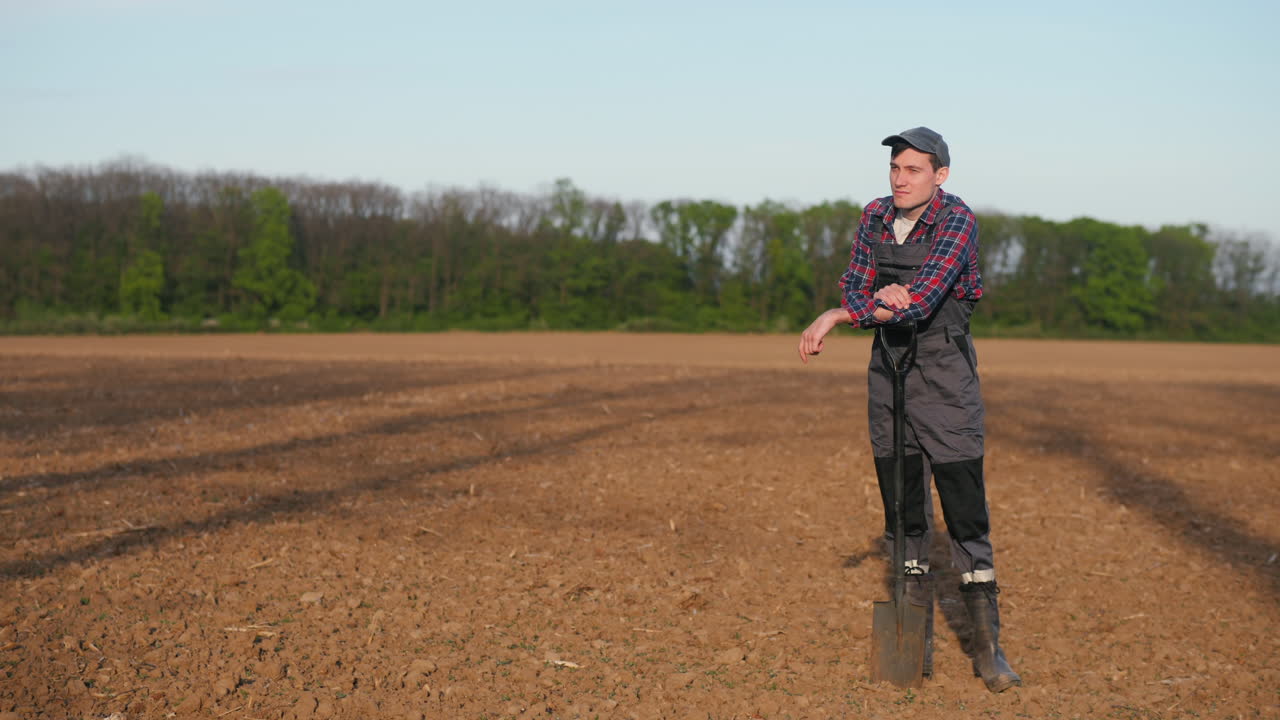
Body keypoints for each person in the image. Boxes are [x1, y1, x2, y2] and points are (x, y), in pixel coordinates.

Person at [797, 127, 1021, 693]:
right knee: (902, 513)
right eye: (896, 168)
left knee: (965, 513)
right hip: (887, 375)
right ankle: (908, 649)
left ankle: (988, 649)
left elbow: (921, 300)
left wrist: (845, 314)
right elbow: (854, 283)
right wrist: (870, 301)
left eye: (914, 169)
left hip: (945, 379)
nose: (900, 178)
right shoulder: (874, 215)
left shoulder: (957, 221)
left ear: (940, 175)